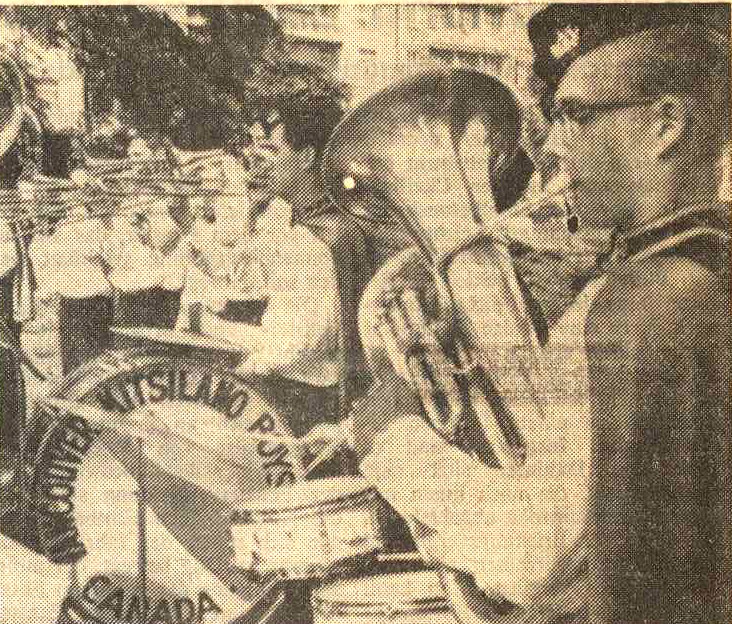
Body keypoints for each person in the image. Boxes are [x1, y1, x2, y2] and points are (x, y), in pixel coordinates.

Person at [526, 5, 731, 623]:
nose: (552, 147)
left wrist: (389, 438)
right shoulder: (704, 270)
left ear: (665, 125)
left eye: (576, 116)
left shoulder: (643, 303)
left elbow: (603, 573)